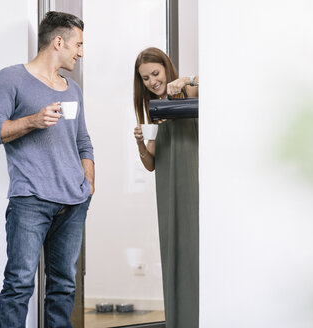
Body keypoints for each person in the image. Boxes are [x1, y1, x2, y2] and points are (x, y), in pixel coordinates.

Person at [0, 11, 94, 328]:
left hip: (73, 202)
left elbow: (83, 141)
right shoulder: (10, 78)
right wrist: (33, 120)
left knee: (64, 287)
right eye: (78, 45)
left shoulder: (73, 90)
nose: (80, 52)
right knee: (19, 286)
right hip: (30, 200)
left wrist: (88, 185)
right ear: (58, 41)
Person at [132, 47, 199, 328]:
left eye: (155, 73)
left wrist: (184, 80)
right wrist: (139, 142)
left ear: (166, 68)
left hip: (192, 184)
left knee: (196, 250)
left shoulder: (186, 92)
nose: (152, 82)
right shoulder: (152, 108)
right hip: (167, 187)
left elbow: (220, 82)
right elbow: (151, 162)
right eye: (145, 78)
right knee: (173, 251)